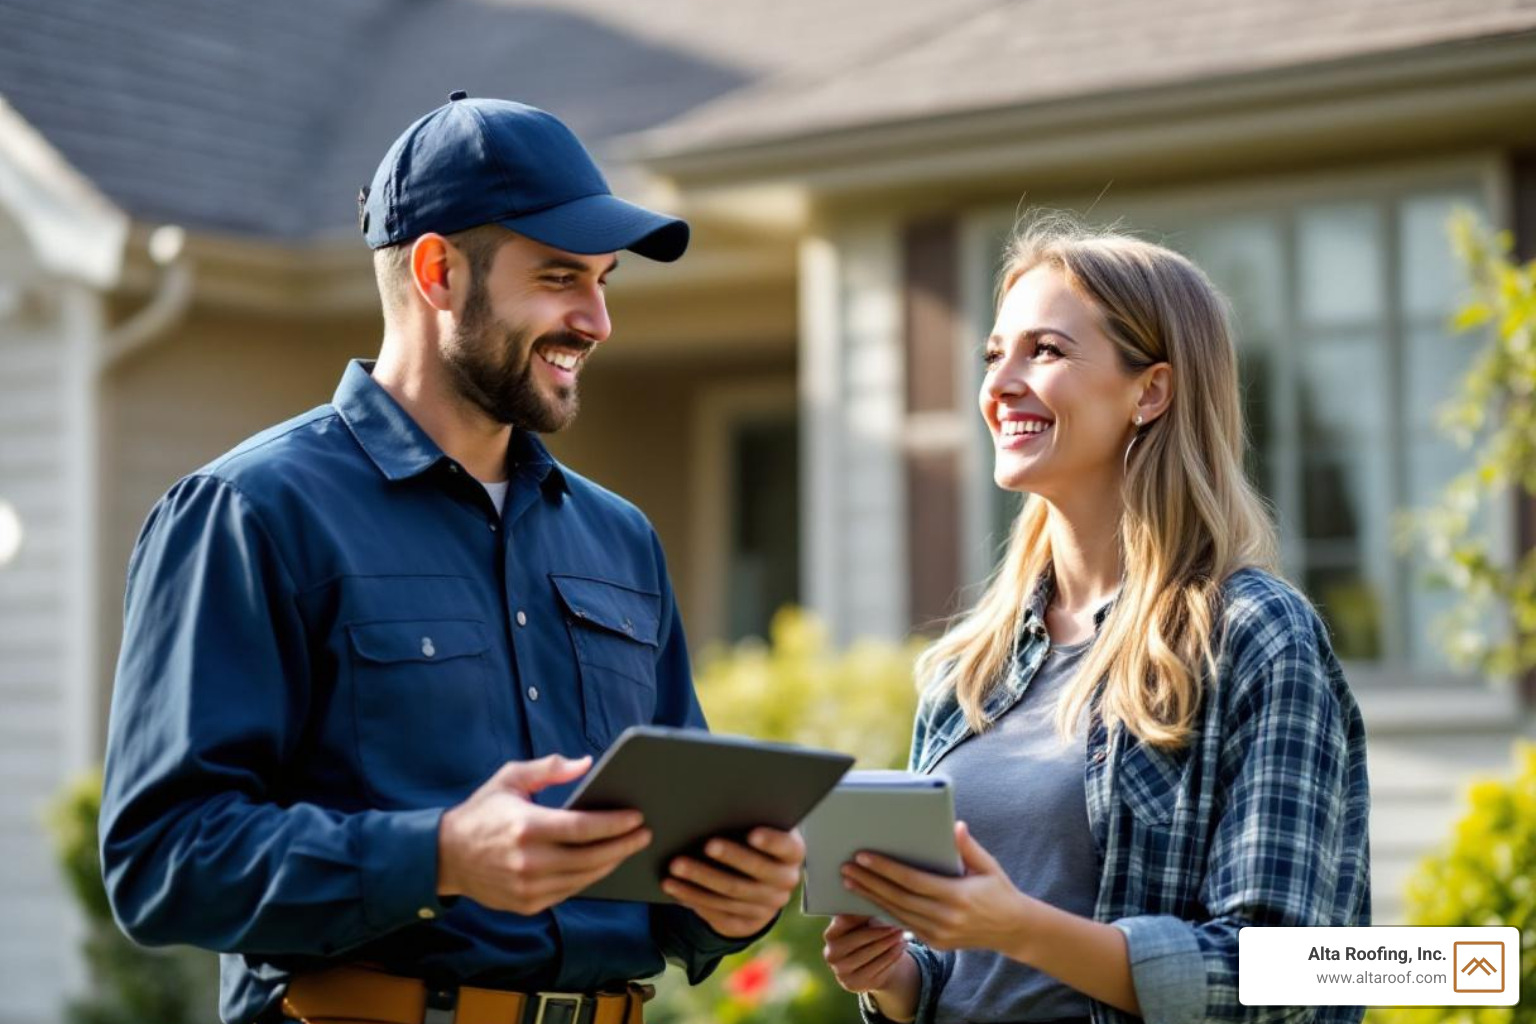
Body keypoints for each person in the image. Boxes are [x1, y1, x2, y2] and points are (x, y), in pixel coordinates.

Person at [99, 93, 803, 1024]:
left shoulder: (619, 538)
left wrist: (729, 905)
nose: (596, 321)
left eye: (604, 282)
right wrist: (439, 855)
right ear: (436, 272)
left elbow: (671, 871)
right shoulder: (250, 513)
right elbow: (163, 860)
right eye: (559, 278)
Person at [821, 219, 1371, 1024]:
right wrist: (896, 977)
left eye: (1043, 352)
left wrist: (1023, 929)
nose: (999, 383)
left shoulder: (1252, 635)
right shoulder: (966, 667)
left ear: (1150, 391)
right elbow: (962, 974)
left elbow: (1290, 974)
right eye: (993, 354)